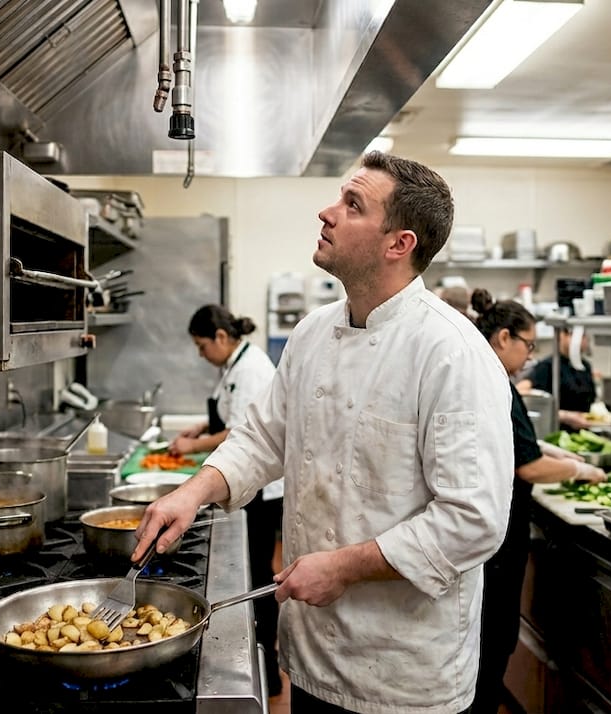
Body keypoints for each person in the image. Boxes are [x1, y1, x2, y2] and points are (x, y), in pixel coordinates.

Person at [132, 151, 514, 714]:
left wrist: (341, 567)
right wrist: (194, 491)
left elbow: (473, 520)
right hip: (312, 652)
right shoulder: (312, 334)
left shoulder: (451, 353)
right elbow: (262, 437)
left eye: (351, 204)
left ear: (398, 244)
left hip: (401, 673)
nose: (326, 212)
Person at [469, 293, 605, 714]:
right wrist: (583, 472)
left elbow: (516, 446)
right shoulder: (492, 382)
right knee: (492, 643)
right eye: (528, 344)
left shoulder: (489, 377)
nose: (531, 355)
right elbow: (525, 468)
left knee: (490, 642)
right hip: (496, 537)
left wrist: (552, 452)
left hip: (492, 533)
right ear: (503, 337)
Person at [168, 304, 284, 695]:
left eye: (202, 346)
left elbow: (241, 431)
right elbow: (226, 414)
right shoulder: (235, 365)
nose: (200, 354)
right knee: (256, 570)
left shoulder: (251, 368)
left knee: (259, 575)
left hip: (262, 491)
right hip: (252, 485)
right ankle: (264, 667)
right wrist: (200, 427)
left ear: (220, 337)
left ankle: (267, 672)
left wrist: (192, 446)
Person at [516, 323, 611, 431]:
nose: (582, 341)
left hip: (583, 435)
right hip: (556, 433)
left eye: (584, 337)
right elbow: (520, 392)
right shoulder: (548, 366)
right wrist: (564, 416)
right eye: (577, 336)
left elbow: (590, 408)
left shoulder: (584, 367)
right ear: (562, 336)